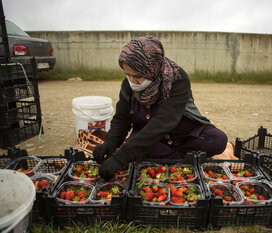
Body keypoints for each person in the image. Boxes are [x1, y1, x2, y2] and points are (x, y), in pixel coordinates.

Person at [93, 36, 230, 180]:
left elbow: (164, 121)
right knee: (135, 148)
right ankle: (182, 160)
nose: (132, 81)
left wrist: (121, 157)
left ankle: (163, 158)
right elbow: (122, 119)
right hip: (149, 136)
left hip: (181, 133)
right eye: (127, 74)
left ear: (152, 68)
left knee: (218, 139)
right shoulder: (128, 86)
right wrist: (110, 142)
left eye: (138, 75)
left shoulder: (177, 79)